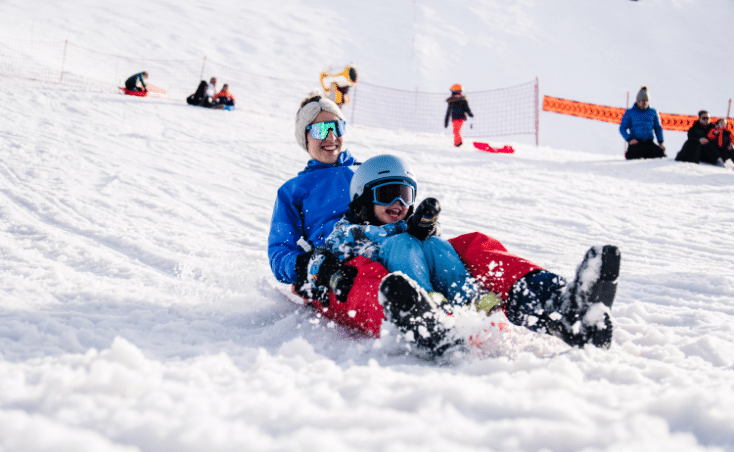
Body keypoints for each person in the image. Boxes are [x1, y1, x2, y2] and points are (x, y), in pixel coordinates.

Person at [268, 95, 621, 357]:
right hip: (337, 267)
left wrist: (419, 224)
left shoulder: (365, 169)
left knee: (470, 245)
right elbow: (279, 253)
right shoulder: (293, 191)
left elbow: (396, 208)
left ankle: (558, 304)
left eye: (337, 126)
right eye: (320, 129)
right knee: (366, 273)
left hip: (395, 241)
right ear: (305, 136)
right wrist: (309, 267)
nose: (331, 136)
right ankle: (416, 322)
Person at [619, 86, 666, 160]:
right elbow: (622, 128)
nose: (644, 103)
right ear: (638, 101)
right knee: (632, 158)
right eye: (642, 100)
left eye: (646, 100)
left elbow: (658, 128)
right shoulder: (630, 112)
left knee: (661, 156)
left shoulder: (653, 112)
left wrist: (660, 142)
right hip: (636, 143)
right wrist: (629, 139)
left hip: (649, 143)